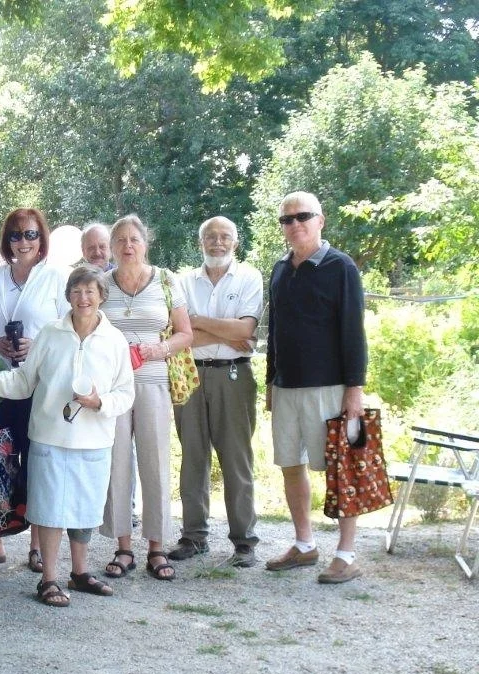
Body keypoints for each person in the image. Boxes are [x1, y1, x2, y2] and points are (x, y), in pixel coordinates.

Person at [0, 266, 134, 607]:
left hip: (94, 438)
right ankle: (49, 580)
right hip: (49, 436)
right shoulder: (50, 334)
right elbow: (24, 381)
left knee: (84, 510)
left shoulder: (115, 340)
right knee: (49, 510)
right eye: (76, 291)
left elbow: (126, 393)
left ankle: (80, 572)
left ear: (102, 296)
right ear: (67, 296)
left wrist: (100, 401)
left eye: (90, 291)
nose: (83, 298)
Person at [265, 191, 368, 584]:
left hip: (330, 386)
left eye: (302, 216)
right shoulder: (279, 269)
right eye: (287, 219)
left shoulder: (340, 267)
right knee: (291, 465)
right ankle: (305, 545)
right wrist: (272, 383)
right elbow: (274, 332)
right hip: (287, 386)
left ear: (320, 219)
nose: (295, 224)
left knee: (340, 470)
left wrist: (354, 390)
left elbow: (353, 332)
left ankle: (346, 554)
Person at [99, 214, 193, 581]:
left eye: (133, 239)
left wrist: (158, 348)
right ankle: (123, 547)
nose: (127, 245)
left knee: (155, 463)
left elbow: (186, 334)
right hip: (113, 387)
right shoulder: (100, 283)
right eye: (119, 240)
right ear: (111, 247)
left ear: (145, 243)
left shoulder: (167, 281)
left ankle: (156, 546)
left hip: (155, 381)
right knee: (116, 463)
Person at [169, 216, 262, 567]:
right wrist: (228, 332)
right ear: (200, 243)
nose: (217, 243)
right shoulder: (182, 282)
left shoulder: (250, 277)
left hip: (233, 376)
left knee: (236, 459)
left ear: (235, 243)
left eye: (225, 237)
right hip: (189, 375)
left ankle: (244, 541)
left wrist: (199, 322)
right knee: (192, 456)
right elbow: (176, 332)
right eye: (210, 237)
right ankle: (194, 537)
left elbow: (246, 332)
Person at [0, 208, 70, 570]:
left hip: (40, 386)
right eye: (16, 235)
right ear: (6, 240)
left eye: (31, 234)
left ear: (42, 238)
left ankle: (36, 546)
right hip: (0, 383)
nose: (24, 242)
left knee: (36, 461)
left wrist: (37, 345)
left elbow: (69, 329)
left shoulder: (56, 277)